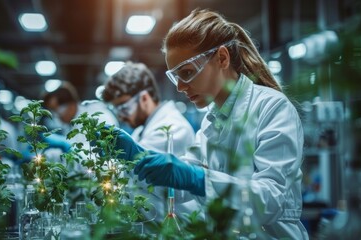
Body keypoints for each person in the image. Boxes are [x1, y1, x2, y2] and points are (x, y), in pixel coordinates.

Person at [112, 9, 309, 239]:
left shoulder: (272, 107)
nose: (180, 87)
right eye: (175, 77)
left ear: (222, 58)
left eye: (186, 72)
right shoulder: (211, 120)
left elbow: (270, 200)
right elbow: (180, 187)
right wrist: (139, 162)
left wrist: (196, 178)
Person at [101, 61, 199, 223]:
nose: (120, 116)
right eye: (116, 110)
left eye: (123, 107)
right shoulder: (141, 130)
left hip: (175, 228)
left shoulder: (171, 128)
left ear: (144, 98)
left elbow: (144, 178)